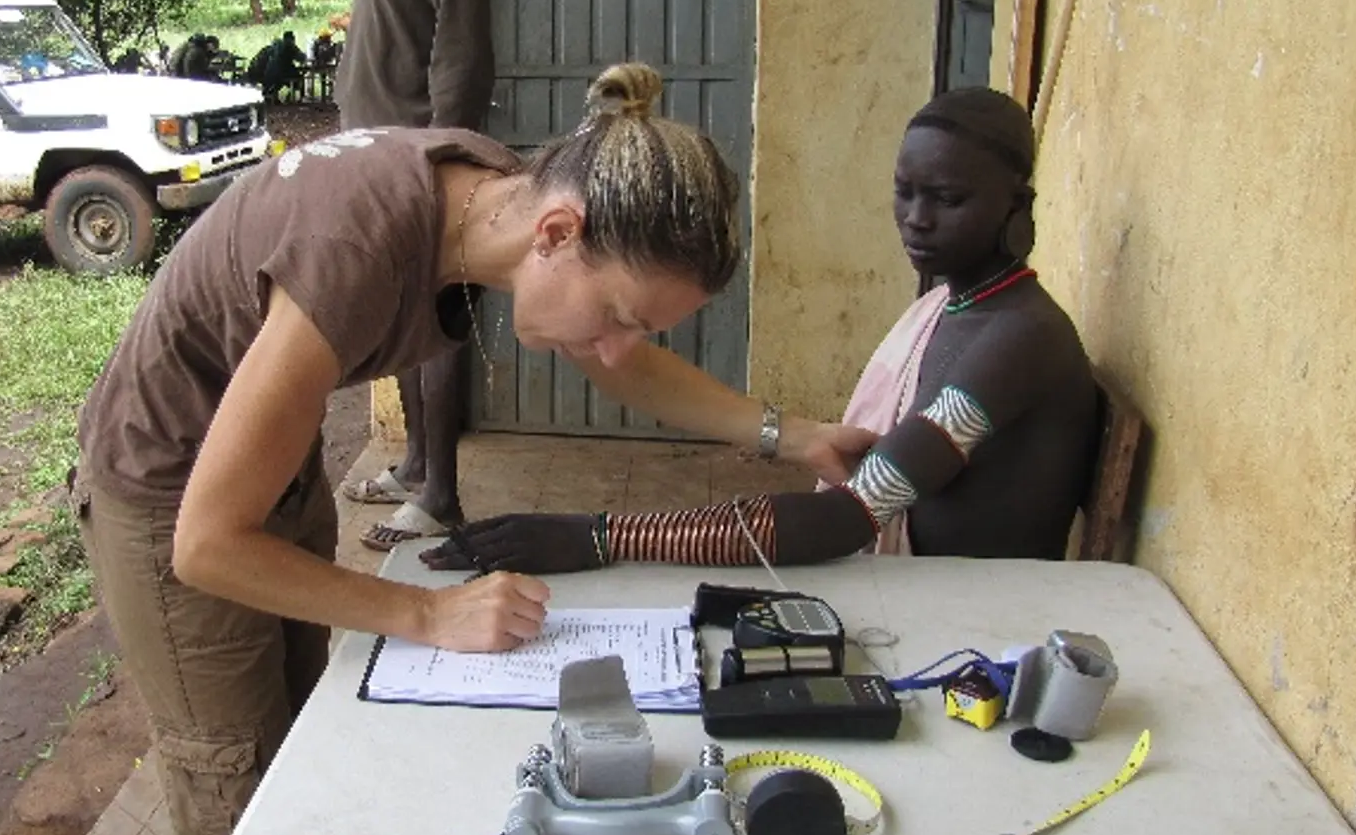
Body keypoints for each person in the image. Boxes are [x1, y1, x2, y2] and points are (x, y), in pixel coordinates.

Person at [69, 63, 874, 835]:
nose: (611, 346)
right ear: (558, 233)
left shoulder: (497, 196)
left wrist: (794, 436)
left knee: (296, 732)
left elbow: (621, 366)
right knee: (236, 785)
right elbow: (208, 544)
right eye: (618, 317)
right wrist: (428, 615)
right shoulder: (356, 249)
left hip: (271, 468)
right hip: (168, 486)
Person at [422, 86, 1099, 576]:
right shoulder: (953, 309)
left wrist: (599, 535)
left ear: (1018, 207)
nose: (916, 218)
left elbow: (847, 519)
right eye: (905, 191)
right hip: (921, 596)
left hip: (985, 623)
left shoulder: (1019, 341)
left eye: (948, 199)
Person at [333, 0, 498, 552]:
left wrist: (439, 162)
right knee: (399, 319)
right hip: (369, 160)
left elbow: (459, 63)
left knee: (435, 324)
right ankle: (414, 465)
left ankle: (442, 497)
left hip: (418, 164)